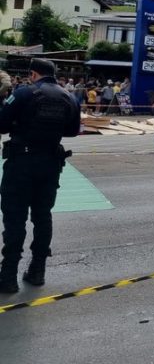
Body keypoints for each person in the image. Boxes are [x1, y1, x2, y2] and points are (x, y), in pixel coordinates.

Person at [0, 59, 80, 293]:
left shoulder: (24, 93)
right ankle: (37, 270)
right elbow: (73, 131)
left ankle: (8, 276)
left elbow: (2, 125)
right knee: (42, 216)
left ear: (33, 74)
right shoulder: (69, 97)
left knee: (15, 218)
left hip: (21, 163)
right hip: (50, 164)